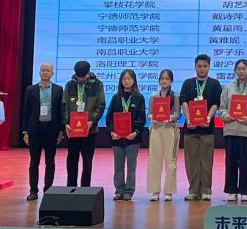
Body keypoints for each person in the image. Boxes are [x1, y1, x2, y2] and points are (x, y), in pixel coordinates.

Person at [179, 53, 222, 201]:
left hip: (207, 129)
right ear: (195, 67)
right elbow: (184, 102)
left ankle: (206, 190)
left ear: (209, 67)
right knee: (190, 161)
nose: (202, 69)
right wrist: (188, 119)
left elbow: (216, 103)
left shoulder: (214, 84)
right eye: (199, 66)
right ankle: (193, 190)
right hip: (190, 128)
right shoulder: (188, 83)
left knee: (206, 160)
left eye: (205, 66)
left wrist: (208, 118)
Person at [219, 58, 247, 202]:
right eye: (239, 69)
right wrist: (226, 116)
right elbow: (222, 108)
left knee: (245, 162)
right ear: (235, 71)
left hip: (246, 130)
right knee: (230, 162)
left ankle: (244, 190)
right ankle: (231, 190)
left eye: (244, 69)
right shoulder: (228, 87)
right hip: (230, 129)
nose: (241, 71)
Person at [21, 61, 63, 201]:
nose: (45, 72)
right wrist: (25, 131)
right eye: (43, 70)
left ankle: (48, 190)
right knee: (34, 162)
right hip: (35, 130)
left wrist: (61, 130)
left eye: (48, 70)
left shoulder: (58, 90)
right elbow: (26, 111)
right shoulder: (30, 89)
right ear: (39, 72)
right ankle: (33, 191)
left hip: (51, 130)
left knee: (50, 162)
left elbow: (60, 111)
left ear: (52, 73)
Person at [62, 59, 106, 187]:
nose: (81, 79)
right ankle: (71, 187)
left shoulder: (97, 84)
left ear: (88, 72)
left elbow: (100, 105)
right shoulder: (70, 84)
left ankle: (85, 188)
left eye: (83, 76)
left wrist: (92, 121)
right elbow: (64, 105)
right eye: (78, 76)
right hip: (72, 130)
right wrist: (66, 123)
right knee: (72, 159)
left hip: (89, 130)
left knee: (87, 161)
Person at [107, 68, 146, 201]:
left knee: (131, 166)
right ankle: (119, 190)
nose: (126, 81)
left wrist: (135, 132)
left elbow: (141, 118)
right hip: (117, 138)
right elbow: (109, 117)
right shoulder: (116, 97)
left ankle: (129, 191)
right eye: (124, 79)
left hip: (132, 138)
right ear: (121, 81)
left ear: (134, 80)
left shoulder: (139, 98)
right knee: (118, 166)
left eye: (129, 79)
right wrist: (111, 132)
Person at [147, 68, 181, 201]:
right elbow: (149, 113)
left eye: (167, 78)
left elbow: (178, 114)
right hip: (156, 129)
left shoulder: (175, 96)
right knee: (154, 160)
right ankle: (154, 191)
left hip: (170, 129)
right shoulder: (153, 96)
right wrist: (153, 117)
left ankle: (169, 191)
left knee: (170, 160)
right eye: (162, 78)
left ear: (171, 81)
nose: (164, 81)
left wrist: (169, 118)